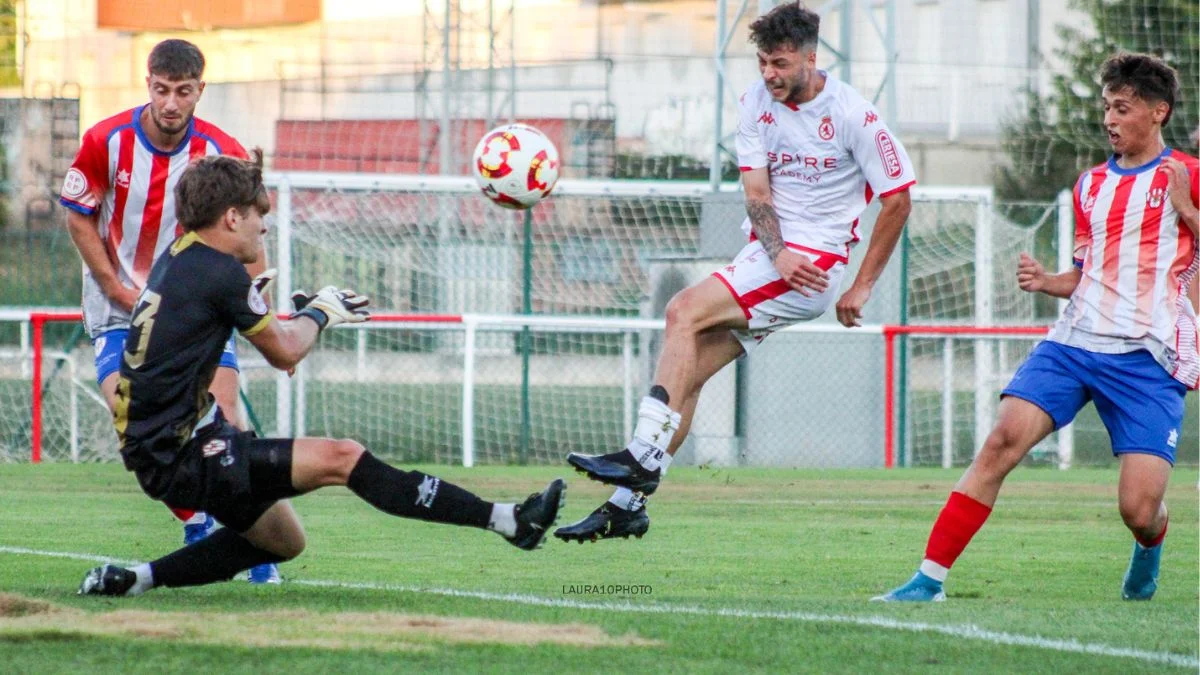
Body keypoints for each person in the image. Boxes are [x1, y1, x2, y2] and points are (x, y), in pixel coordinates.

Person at [78, 152, 565, 597]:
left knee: (284, 541)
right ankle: (509, 520)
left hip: (172, 444)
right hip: (182, 454)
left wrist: (281, 315)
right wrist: (322, 312)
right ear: (231, 217)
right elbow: (287, 354)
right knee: (344, 457)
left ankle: (136, 579)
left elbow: (208, 324)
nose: (263, 229)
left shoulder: (182, 255)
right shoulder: (219, 272)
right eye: (258, 215)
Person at [554, 1, 915, 542]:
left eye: (781, 63)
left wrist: (861, 284)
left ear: (811, 58)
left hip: (813, 266)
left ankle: (639, 453)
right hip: (772, 259)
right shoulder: (755, 103)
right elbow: (756, 194)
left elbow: (899, 199)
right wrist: (778, 254)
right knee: (690, 370)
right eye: (764, 62)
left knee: (681, 310)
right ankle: (627, 505)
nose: (770, 74)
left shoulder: (854, 115)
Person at [875, 52, 1197, 602]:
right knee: (1000, 443)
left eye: (1122, 109)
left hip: (1148, 357)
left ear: (1158, 112)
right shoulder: (1090, 185)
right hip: (1074, 344)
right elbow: (1088, 274)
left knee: (1138, 510)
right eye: (1106, 108)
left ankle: (1150, 545)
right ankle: (927, 580)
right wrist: (1048, 281)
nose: (1109, 120)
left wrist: (1186, 208)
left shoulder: (1188, 174)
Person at [60, 39, 280, 583]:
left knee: (225, 420)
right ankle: (196, 522)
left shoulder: (220, 150)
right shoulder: (104, 140)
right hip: (120, 303)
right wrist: (113, 285)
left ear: (200, 90)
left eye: (184, 91)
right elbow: (78, 215)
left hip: (197, 300)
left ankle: (256, 548)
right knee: (133, 424)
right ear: (148, 85)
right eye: (162, 90)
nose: (171, 103)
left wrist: (261, 308)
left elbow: (250, 230)